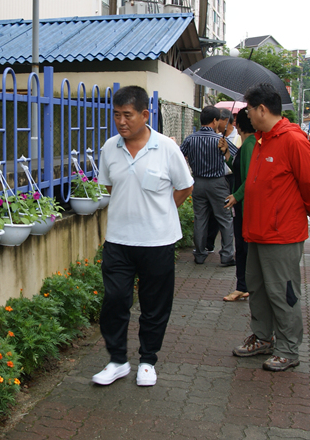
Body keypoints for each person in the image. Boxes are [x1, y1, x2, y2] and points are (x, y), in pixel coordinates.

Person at [93, 85, 194, 387]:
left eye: (127, 115)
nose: (121, 122)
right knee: (115, 300)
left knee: (154, 304)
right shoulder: (109, 148)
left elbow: (185, 187)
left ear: (145, 114)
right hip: (119, 241)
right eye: (116, 115)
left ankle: (148, 360)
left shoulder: (166, 148)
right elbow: (111, 187)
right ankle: (117, 360)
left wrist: (160, 212)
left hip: (157, 242)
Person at [232, 83, 310, 372]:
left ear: (262, 109)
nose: (247, 114)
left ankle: (288, 348)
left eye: (249, 109)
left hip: (281, 234)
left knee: (282, 292)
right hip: (256, 231)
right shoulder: (261, 140)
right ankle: (262, 337)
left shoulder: (292, 140)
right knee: (257, 289)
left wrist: (309, 207)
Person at [181, 106, 235, 266]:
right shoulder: (220, 140)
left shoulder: (190, 139)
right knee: (225, 219)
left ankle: (199, 254)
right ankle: (226, 256)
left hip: (197, 182)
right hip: (217, 183)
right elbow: (235, 155)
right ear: (214, 121)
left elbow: (179, 155)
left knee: (200, 218)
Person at [222, 107, 256, 302]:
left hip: (244, 206)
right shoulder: (247, 144)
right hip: (241, 205)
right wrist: (226, 152)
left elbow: (250, 177)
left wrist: (236, 195)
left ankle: (243, 286)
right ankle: (242, 285)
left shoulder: (250, 144)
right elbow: (236, 167)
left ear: (238, 124)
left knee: (243, 247)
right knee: (242, 247)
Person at [205, 108, 237, 255]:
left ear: (225, 120)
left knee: (226, 213)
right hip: (218, 178)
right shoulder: (216, 137)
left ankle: (228, 249)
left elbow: (237, 156)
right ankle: (209, 244)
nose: (217, 123)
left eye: (219, 120)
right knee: (214, 212)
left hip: (232, 176)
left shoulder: (238, 137)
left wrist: (227, 147)